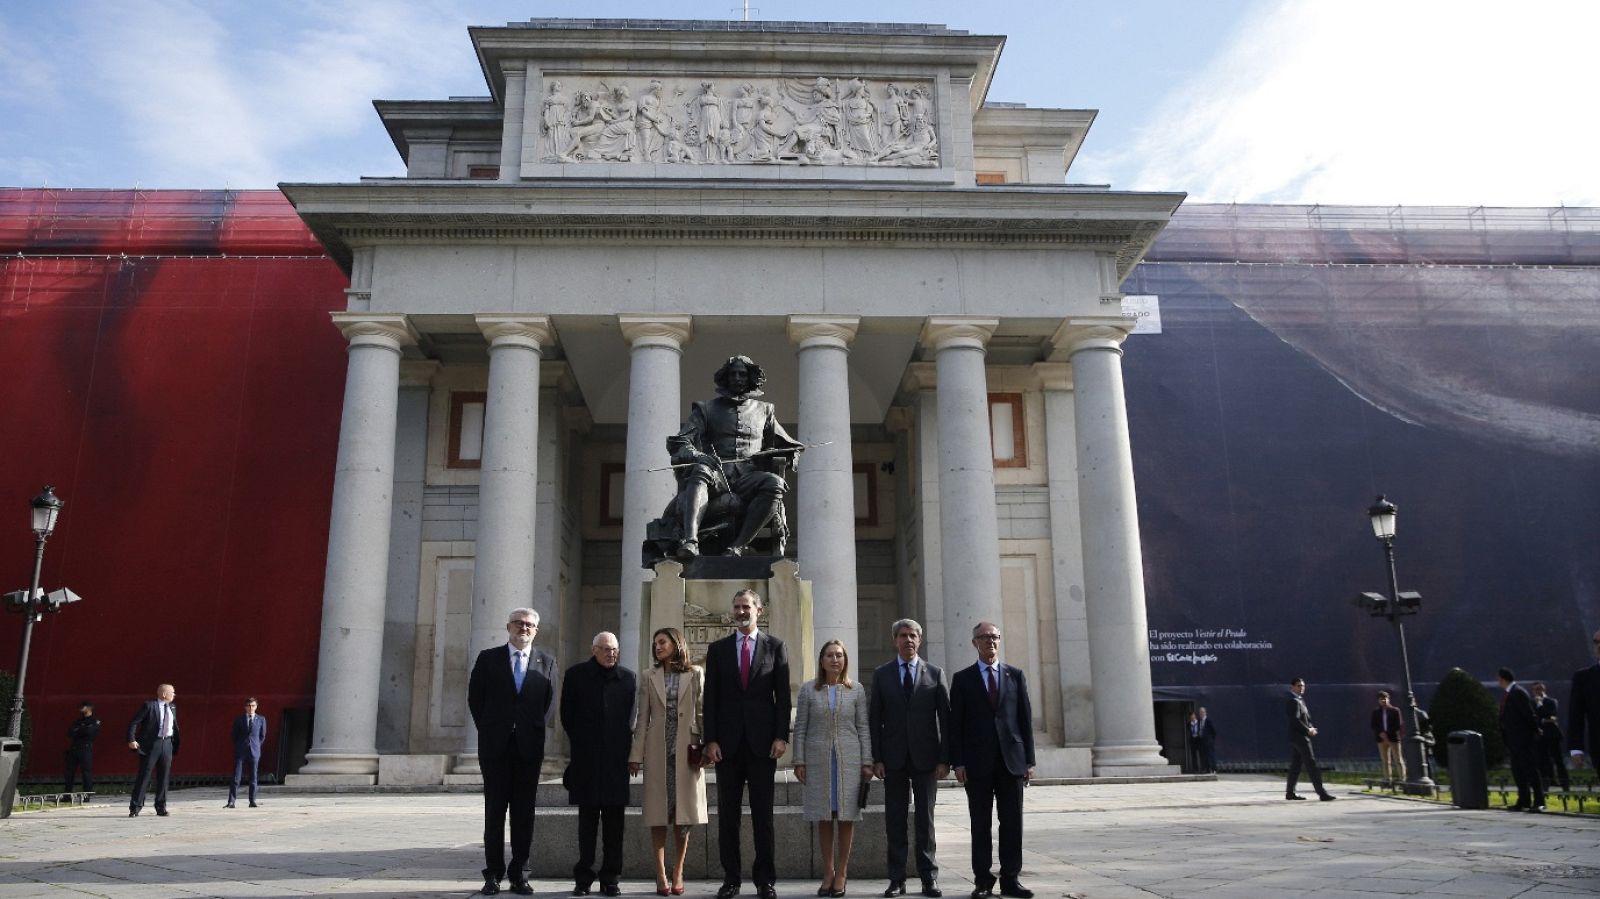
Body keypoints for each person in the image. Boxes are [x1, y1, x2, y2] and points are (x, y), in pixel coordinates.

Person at [646, 355, 804, 563]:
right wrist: (698, 455)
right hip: (716, 476)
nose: (737, 378)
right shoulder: (706, 409)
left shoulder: (765, 410)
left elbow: (786, 444)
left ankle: (738, 546)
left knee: (775, 483)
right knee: (701, 469)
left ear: (751, 378)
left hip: (749, 478)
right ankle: (691, 542)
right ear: (725, 378)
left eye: (742, 374)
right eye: (733, 374)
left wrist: (790, 453)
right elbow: (679, 442)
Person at [703, 589, 792, 899]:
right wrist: (710, 739)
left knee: (762, 816)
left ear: (760, 611)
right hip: (726, 745)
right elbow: (710, 699)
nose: (741, 612)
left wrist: (782, 736)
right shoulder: (718, 650)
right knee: (728, 816)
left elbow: (783, 698)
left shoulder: (775, 647)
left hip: (762, 744)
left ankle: (765, 879)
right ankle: (731, 879)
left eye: (746, 607)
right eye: (737, 607)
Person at [468, 608, 558, 896]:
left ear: (536, 630)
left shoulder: (547, 662)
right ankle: (492, 873)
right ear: (508, 626)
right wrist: (492, 728)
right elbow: (475, 699)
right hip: (495, 748)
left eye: (530, 625)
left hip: (528, 750)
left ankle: (520, 874)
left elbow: (549, 704)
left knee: (524, 814)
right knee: (494, 812)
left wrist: (529, 730)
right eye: (519, 623)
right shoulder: (488, 658)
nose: (524, 628)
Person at [949, 622, 1034, 899]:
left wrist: (1028, 761)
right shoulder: (963, 679)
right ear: (974, 643)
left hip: (1011, 762)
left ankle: (1011, 878)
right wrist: (957, 762)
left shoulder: (1015, 675)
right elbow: (956, 724)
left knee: (1012, 822)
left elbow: (1024, 720)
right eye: (984, 637)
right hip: (977, 763)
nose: (990, 642)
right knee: (980, 824)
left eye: (995, 637)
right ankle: (983, 881)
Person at [869, 618, 950, 899]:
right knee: (895, 820)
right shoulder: (882, 674)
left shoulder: (935, 673)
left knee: (925, 821)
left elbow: (946, 720)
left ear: (920, 639)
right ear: (895, 641)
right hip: (892, 759)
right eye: (903, 636)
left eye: (913, 635)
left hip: (926, 758)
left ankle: (929, 878)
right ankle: (896, 879)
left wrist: (945, 758)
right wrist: (877, 757)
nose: (908, 640)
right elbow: (874, 719)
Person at [630, 627, 707, 897]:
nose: (658, 647)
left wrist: (706, 748)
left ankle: (679, 871)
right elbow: (642, 719)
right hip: (657, 750)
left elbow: (701, 712)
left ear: (676, 643)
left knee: (682, 817)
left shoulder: (695, 673)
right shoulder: (648, 676)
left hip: (687, 751)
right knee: (658, 814)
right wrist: (635, 756)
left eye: (662, 642)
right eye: (655, 644)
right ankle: (661, 872)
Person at [794, 640, 873, 899]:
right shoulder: (809, 690)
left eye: (839, 655)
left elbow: (863, 727)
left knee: (847, 815)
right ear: (822, 660)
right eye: (830, 655)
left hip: (849, 758)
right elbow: (801, 728)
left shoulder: (856, 690)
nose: (835, 659)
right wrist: (799, 760)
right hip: (817, 759)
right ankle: (827, 872)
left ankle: (842, 872)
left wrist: (867, 761)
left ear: (845, 660)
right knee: (824, 815)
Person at [561, 632, 636, 897]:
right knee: (587, 824)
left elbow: (628, 719)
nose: (611, 654)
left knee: (615, 825)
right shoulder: (575, 675)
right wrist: (585, 743)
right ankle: (583, 878)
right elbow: (566, 717)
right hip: (587, 761)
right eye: (605, 649)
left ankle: (611, 878)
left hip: (616, 762)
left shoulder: (628, 678)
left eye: (614, 649)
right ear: (594, 650)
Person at [126, 684, 179, 817]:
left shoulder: (172, 707)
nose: (174, 695)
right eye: (172, 692)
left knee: (164, 776)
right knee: (145, 775)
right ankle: (135, 807)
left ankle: (161, 807)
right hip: (151, 744)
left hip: (166, 743)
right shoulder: (149, 706)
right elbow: (134, 722)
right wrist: (131, 739)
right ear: (164, 694)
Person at [1498, 668, 1545, 812]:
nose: (1498, 682)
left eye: (1499, 679)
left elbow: (1528, 714)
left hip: (1523, 739)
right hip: (1513, 740)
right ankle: (1523, 800)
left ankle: (1539, 801)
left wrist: (1535, 731)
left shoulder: (1518, 692)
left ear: (1503, 679)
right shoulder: (1510, 693)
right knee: (1518, 771)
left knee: (1530, 770)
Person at [1284, 678, 1335, 802]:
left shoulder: (1300, 700)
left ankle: (1290, 792)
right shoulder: (1293, 701)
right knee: (1311, 764)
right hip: (1300, 737)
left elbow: (1305, 718)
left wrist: (1311, 726)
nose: (1301, 688)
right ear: (1292, 687)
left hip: (1299, 737)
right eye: (1298, 686)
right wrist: (1308, 730)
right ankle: (1322, 793)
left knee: (1296, 765)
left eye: (1303, 686)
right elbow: (1295, 720)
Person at [227, 697, 266, 808]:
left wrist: (256, 745)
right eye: (249, 706)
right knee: (236, 777)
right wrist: (240, 745)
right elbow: (234, 736)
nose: (251, 708)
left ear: (256, 707)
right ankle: (231, 801)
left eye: (253, 706)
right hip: (241, 750)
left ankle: (252, 801)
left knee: (253, 777)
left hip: (254, 751)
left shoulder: (261, 719)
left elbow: (262, 736)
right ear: (245, 707)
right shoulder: (239, 720)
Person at [1570, 627, 1600, 769]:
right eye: (1596, 642)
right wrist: (1576, 748)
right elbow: (1576, 715)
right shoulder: (1583, 677)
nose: (1599, 645)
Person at [1530, 682, 1570, 792]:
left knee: (1558, 760)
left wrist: (1540, 707)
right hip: (1540, 735)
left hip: (1552, 735)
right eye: (1536, 690)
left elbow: (1553, 716)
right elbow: (1532, 718)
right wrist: (1544, 719)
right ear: (1533, 691)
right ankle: (1545, 783)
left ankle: (1564, 783)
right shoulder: (1531, 703)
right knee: (1542, 760)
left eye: (1540, 689)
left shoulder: (1552, 701)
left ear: (1544, 689)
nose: (1538, 691)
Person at [64, 701, 99, 797]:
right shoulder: (78, 721)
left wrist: (79, 730)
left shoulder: (94, 721)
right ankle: (67, 795)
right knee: (69, 773)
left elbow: (89, 732)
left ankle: (87, 795)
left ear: (89, 708)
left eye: (83, 707)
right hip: (74, 748)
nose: (81, 709)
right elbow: (70, 733)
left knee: (86, 773)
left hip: (86, 749)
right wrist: (81, 730)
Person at [1370, 691, 1405, 784]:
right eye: (1381, 699)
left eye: (1385, 698)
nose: (1383, 700)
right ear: (1378, 701)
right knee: (1385, 760)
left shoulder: (1395, 710)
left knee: (1398, 759)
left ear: (1388, 699)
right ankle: (1387, 779)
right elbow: (1374, 725)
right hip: (1381, 739)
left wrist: (1387, 733)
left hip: (1393, 738)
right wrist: (1381, 733)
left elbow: (1398, 724)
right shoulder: (1376, 712)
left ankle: (1402, 779)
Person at [1195, 707, 1217, 774]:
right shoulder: (1199, 721)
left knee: (1210, 755)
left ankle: (1213, 769)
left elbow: (1213, 731)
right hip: (1202, 741)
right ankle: (1206, 769)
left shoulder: (1208, 720)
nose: (1201, 714)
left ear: (1205, 713)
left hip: (1209, 741)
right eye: (1200, 712)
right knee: (1204, 756)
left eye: (1202, 712)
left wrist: (1211, 740)